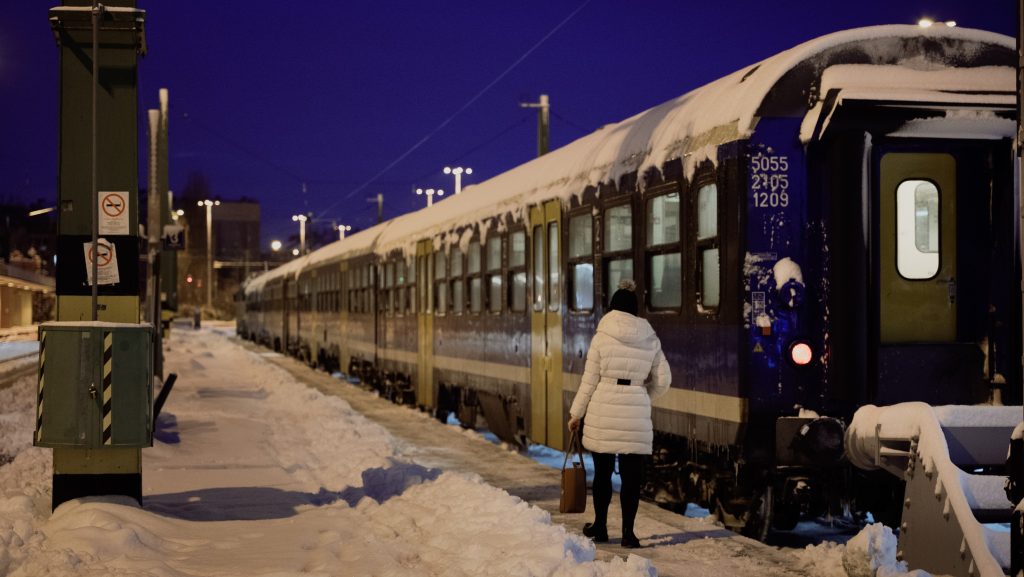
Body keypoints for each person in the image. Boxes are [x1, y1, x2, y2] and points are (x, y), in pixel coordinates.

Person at [567, 280, 671, 548]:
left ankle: (600, 527)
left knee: (602, 475)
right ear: (634, 309)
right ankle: (628, 534)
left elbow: (589, 380)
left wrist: (576, 414)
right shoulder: (649, 338)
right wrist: (643, 395)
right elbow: (664, 380)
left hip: (603, 408)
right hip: (635, 411)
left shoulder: (602, 337)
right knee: (631, 478)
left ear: (613, 308)